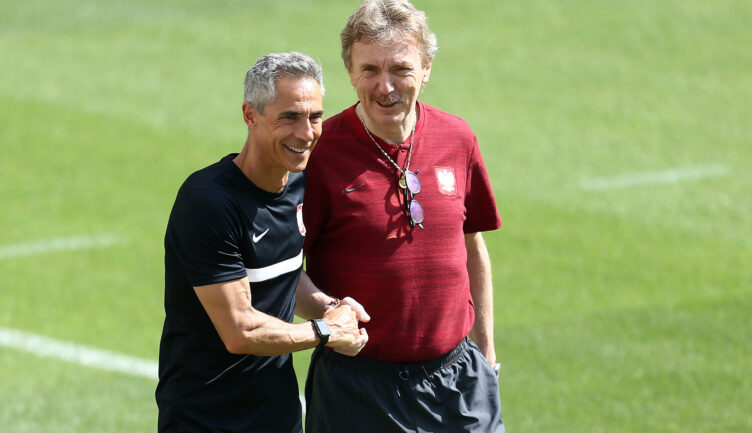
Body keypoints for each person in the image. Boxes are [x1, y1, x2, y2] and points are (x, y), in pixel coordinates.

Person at [299, 1, 504, 431]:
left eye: (401, 69)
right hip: (359, 388)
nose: (385, 86)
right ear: (350, 72)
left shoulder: (458, 138)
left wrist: (485, 352)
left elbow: (472, 246)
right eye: (370, 69)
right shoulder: (319, 153)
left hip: (460, 382)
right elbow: (282, 267)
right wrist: (329, 312)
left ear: (426, 68)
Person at [156, 52, 368, 433]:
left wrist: (331, 309)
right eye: (289, 117)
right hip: (205, 420)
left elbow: (283, 273)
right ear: (250, 115)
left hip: (279, 416)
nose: (306, 133)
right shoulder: (208, 203)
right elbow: (240, 330)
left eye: (314, 117)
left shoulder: (300, 183)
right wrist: (324, 332)